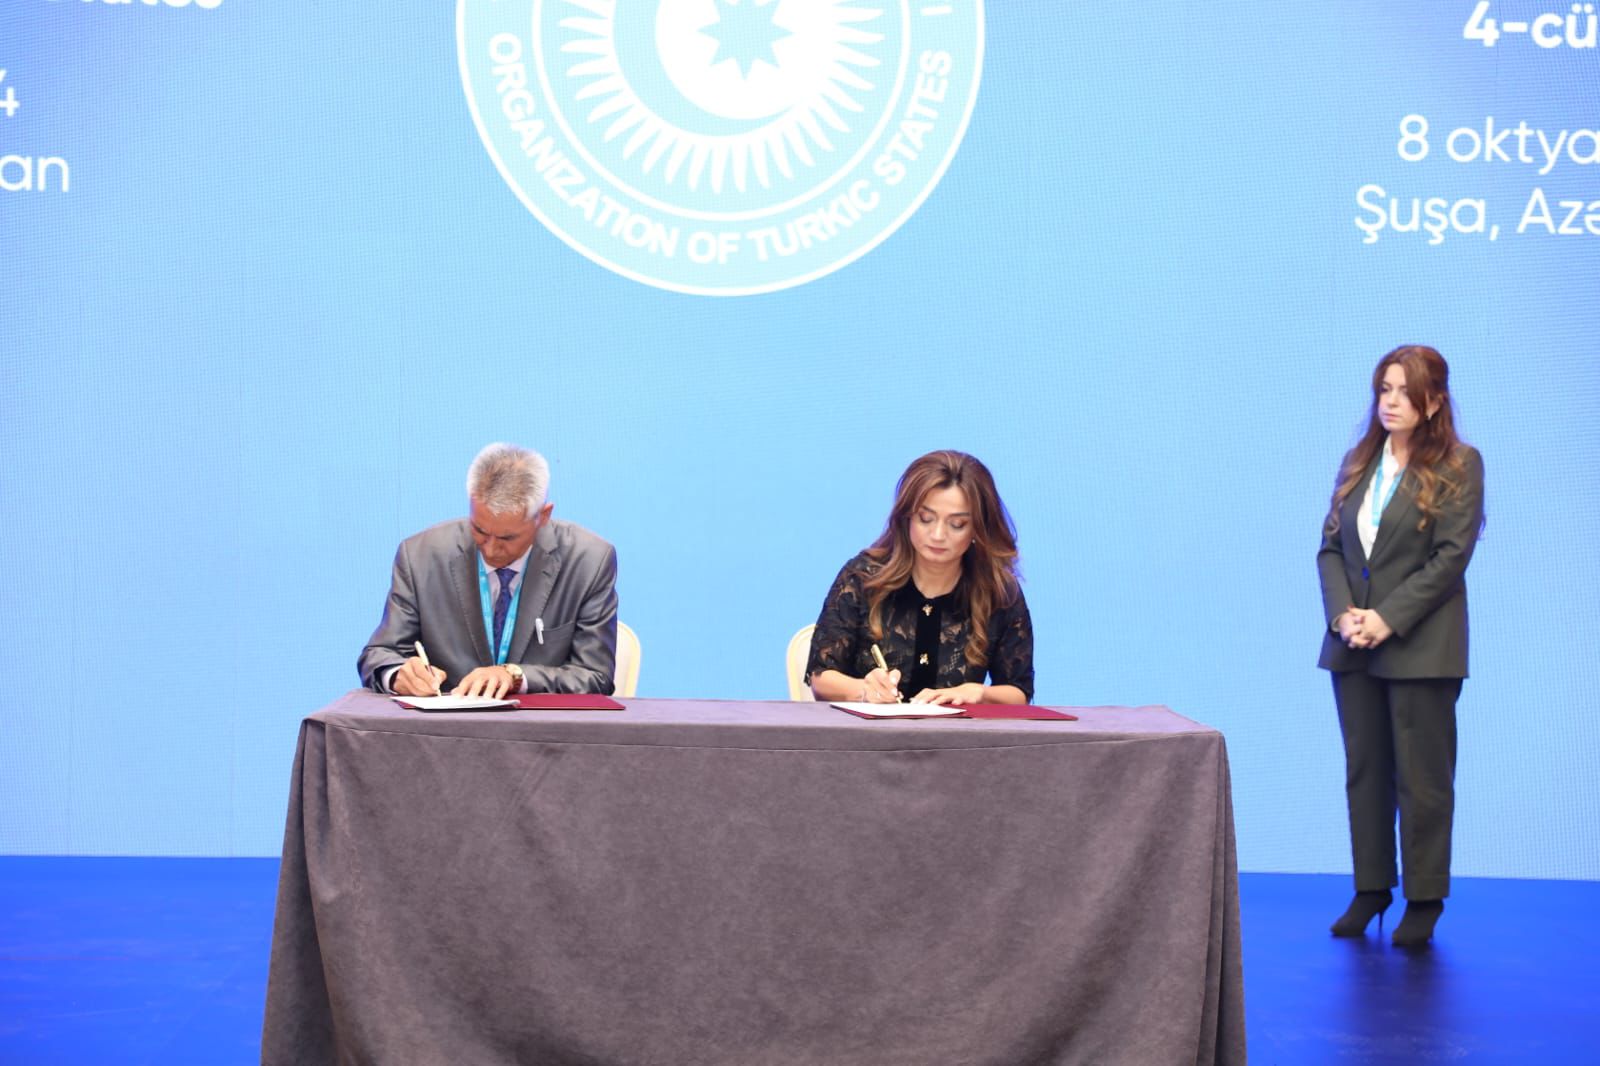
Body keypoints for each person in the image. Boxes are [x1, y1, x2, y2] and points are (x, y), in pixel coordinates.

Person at [1317, 345, 1484, 947]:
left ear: (1433, 400)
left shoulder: (1460, 464)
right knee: (1365, 770)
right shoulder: (1359, 461)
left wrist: (1386, 619)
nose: (1390, 402)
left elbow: (1450, 559)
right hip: (1353, 645)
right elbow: (1331, 549)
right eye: (1383, 389)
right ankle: (1371, 887)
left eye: (1404, 391)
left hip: (1421, 646)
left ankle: (1424, 896)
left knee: (1422, 776)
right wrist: (1343, 618)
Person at [359, 443, 618, 697]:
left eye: (507, 538)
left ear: (543, 516)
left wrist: (516, 676)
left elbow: (596, 675)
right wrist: (398, 674)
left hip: (539, 734)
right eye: (479, 531)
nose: (491, 550)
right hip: (445, 733)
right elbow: (379, 655)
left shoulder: (588, 561)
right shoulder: (421, 557)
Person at [807, 450, 1034, 705]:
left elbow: (1018, 692)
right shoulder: (863, 577)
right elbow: (821, 677)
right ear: (907, 518)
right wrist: (863, 689)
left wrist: (979, 693)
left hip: (957, 742)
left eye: (956, 524)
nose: (938, 535)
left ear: (977, 529)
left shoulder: (999, 591)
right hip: (868, 739)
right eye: (926, 519)